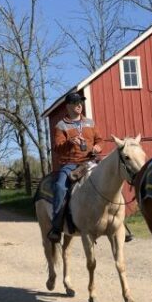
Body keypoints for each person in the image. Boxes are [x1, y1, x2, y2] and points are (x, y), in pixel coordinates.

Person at [47, 92, 102, 243]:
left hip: (90, 161)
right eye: (76, 103)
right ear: (68, 106)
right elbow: (58, 148)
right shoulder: (61, 125)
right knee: (59, 187)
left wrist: (97, 147)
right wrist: (70, 142)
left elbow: (99, 140)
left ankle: (119, 223)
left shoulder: (90, 122)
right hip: (70, 164)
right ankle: (57, 226)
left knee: (109, 177)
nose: (79, 105)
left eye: (81, 102)